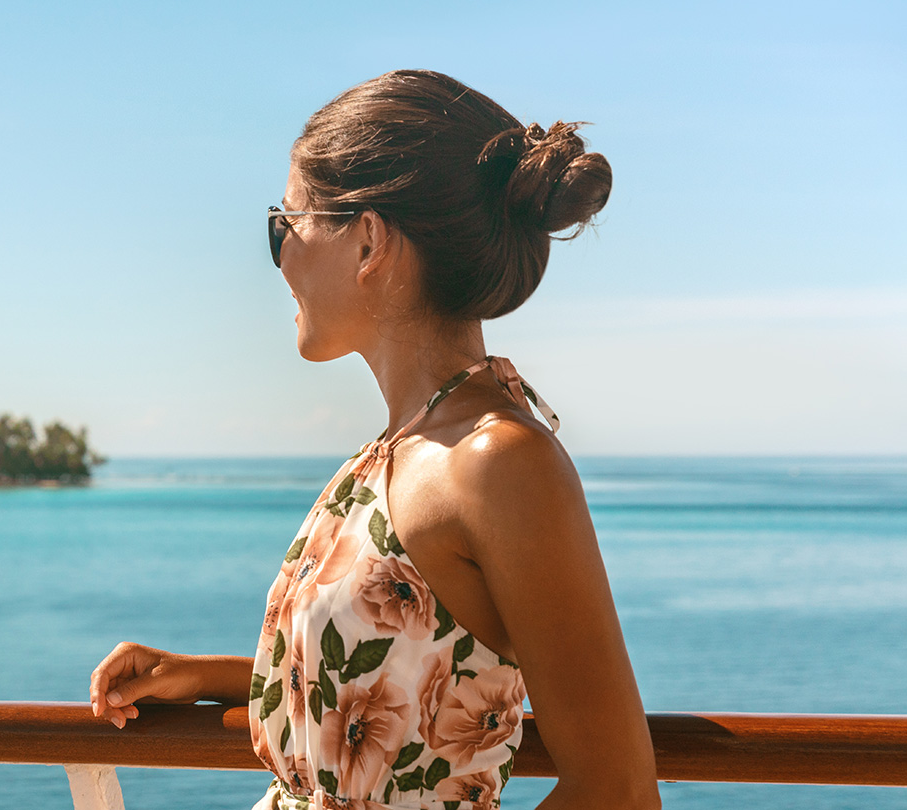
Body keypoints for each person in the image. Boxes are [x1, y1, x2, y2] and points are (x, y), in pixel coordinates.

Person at [88, 70, 660, 810]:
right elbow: (413, 671)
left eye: (283, 224)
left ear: (367, 240)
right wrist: (213, 676)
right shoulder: (396, 450)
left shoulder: (496, 462)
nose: (279, 257)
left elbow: (615, 787)